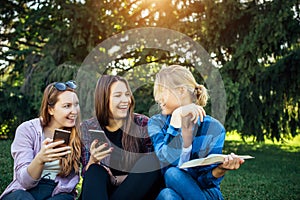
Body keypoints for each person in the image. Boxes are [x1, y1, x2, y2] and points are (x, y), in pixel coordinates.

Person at [148, 65, 245, 200]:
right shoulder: (156, 123)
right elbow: (166, 161)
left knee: (172, 180)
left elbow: (206, 181)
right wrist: (175, 121)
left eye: (161, 92)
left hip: (203, 192)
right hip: (169, 189)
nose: (157, 99)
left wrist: (221, 169)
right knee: (168, 187)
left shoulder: (214, 128)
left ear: (181, 91)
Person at [80, 75, 161, 200]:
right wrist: (93, 160)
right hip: (101, 192)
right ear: (104, 99)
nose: (125, 100)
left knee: (150, 161)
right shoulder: (87, 127)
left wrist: (117, 180)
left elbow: (150, 176)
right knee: (94, 170)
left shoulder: (142, 123)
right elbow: (88, 177)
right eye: (118, 95)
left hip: (135, 191)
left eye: (127, 94)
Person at [0, 80, 82, 200]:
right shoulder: (27, 130)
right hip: (25, 191)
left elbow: (89, 168)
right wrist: (40, 159)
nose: (74, 111)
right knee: (22, 197)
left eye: (76, 104)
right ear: (51, 110)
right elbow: (24, 182)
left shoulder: (79, 133)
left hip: (57, 193)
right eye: (67, 106)